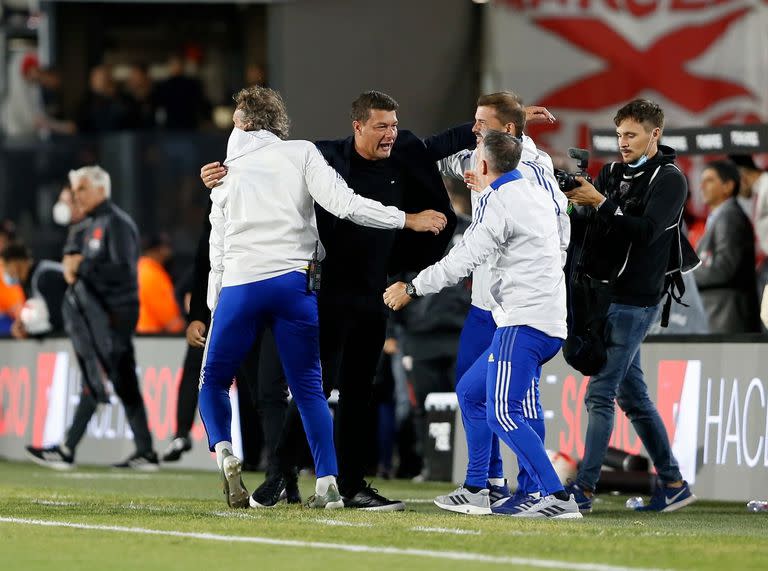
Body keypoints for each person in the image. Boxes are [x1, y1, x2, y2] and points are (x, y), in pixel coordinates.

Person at [201, 90, 472, 510]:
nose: (391, 135)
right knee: (315, 388)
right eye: (381, 126)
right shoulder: (324, 155)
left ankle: (349, 484)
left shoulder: (402, 155)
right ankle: (280, 476)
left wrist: (497, 122)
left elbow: (439, 143)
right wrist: (222, 172)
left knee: (359, 393)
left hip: (372, 293)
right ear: (357, 126)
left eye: (395, 126)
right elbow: (320, 188)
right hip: (323, 291)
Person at [384, 130, 580, 519]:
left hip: (522, 321)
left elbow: (461, 262)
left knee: (503, 413)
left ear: (485, 165)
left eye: (475, 158)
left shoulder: (501, 203)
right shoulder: (533, 190)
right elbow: (562, 229)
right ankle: (478, 488)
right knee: (471, 392)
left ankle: (556, 495)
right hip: (545, 317)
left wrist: (412, 286)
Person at [562, 99, 697, 513]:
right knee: (632, 397)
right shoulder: (611, 173)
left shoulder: (671, 179)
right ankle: (673, 483)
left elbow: (646, 233)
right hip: (604, 294)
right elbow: (595, 229)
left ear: (654, 134)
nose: (622, 143)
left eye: (631, 135)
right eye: (619, 134)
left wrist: (599, 202)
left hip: (637, 298)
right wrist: (575, 202)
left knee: (599, 393)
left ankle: (582, 492)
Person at [435, 91, 566, 510]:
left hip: (517, 304)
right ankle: (484, 483)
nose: (473, 129)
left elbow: (559, 222)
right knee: (473, 392)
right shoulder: (479, 157)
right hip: (483, 299)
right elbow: (435, 157)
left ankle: (534, 490)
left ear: (507, 129)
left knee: (518, 400)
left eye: (481, 122)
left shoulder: (536, 167)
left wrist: (540, 278)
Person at [25, 165, 159, 471]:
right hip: (98, 315)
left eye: (82, 189)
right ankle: (146, 451)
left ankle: (67, 448)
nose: (76, 196)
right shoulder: (90, 225)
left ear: (101, 189)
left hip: (114, 314)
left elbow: (125, 270)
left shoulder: (116, 223)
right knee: (122, 380)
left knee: (95, 377)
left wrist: (82, 266)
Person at [693, 160, 760, 334]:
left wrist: (685, 276)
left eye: (709, 180)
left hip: (727, 318)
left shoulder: (729, 217)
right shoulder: (720, 216)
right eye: (702, 181)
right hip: (717, 317)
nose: (702, 186)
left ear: (728, 186)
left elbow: (725, 268)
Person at [0, 242, 67, 338]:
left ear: (15, 263)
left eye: (5, 266)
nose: (4, 272)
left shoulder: (45, 277)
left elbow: (58, 319)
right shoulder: (29, 282)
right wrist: (23, 325)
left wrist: (30, 331)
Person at [136, 233, 185, 334]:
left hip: (140, 336)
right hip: (153, 338)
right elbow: (170, 320)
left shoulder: (138, 269)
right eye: (166, 247)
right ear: (158, 249)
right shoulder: (153, 274)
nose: (169, 252)